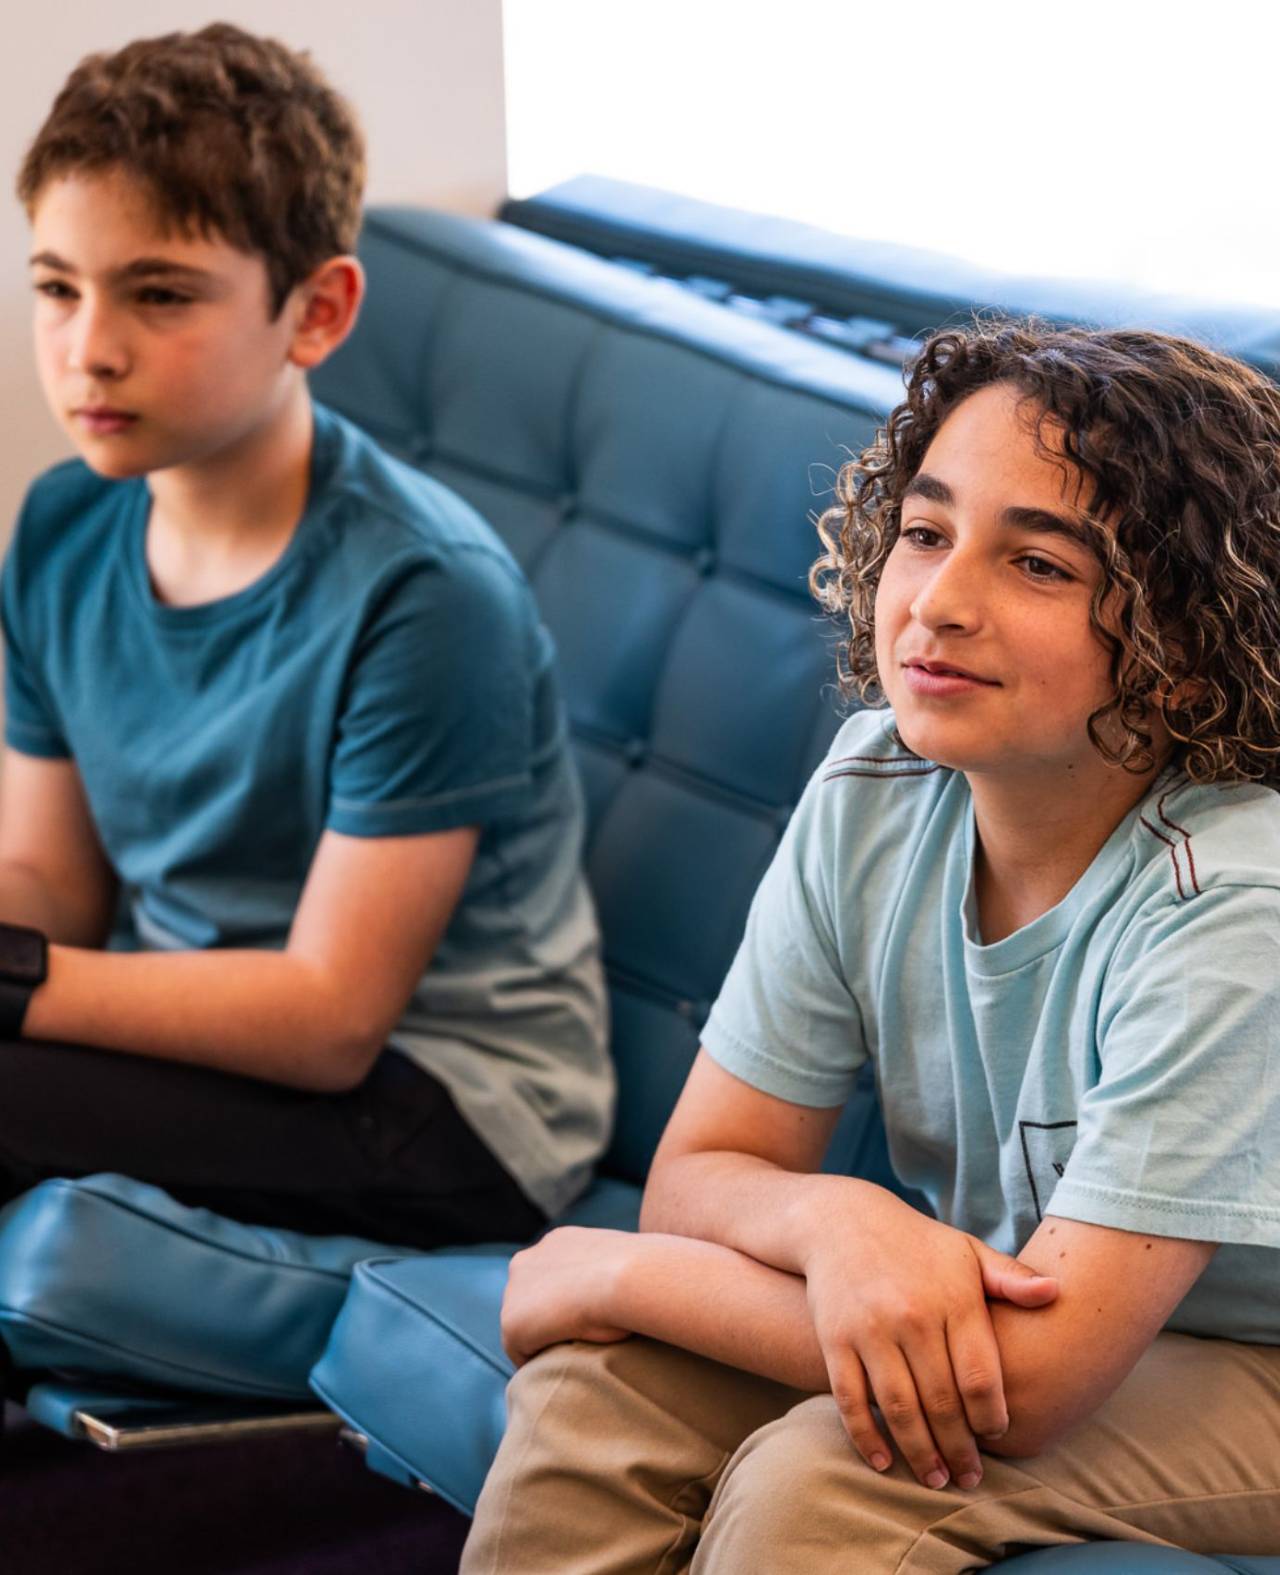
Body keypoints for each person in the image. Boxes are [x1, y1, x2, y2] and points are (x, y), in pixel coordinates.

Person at [461, 322, 1280, 1571]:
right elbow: (702, 1176)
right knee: (602, 1389)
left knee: (830, 1480)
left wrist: (611, 1275)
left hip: (1252, 1365)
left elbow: (1029, 1380)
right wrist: (839, 1222)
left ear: (1188, 650)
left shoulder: (1230, 904)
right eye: (924, 532)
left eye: (1039, 565)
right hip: (1050, 1311)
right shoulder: (873, 790)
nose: (937, 604)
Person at [0, 24, 611, 1249]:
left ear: (316, 313)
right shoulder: (62, 525)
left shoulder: (427, 592)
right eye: (58, 287)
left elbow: (329, 1019)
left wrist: (16, 980)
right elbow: (54, 886)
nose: (88, 351)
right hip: (196, 1024)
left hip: (447, 1097)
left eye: (158, 294)